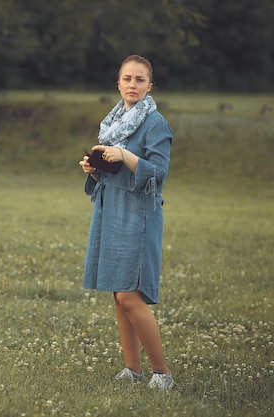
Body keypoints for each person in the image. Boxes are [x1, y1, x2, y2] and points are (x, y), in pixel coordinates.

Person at [78, 54, 174, 391]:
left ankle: (162, 375)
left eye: (139, 80)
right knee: (119, 295)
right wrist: (96, 168)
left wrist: (126, 156)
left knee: (131, 295)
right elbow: (112, 168)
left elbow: (159, 173)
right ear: (118, 83)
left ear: (150, 86)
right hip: (110, 209)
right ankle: (132, 370)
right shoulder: (112, 122)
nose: (132, 85)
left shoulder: (156, 123)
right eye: (127, 79)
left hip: (138, 214)